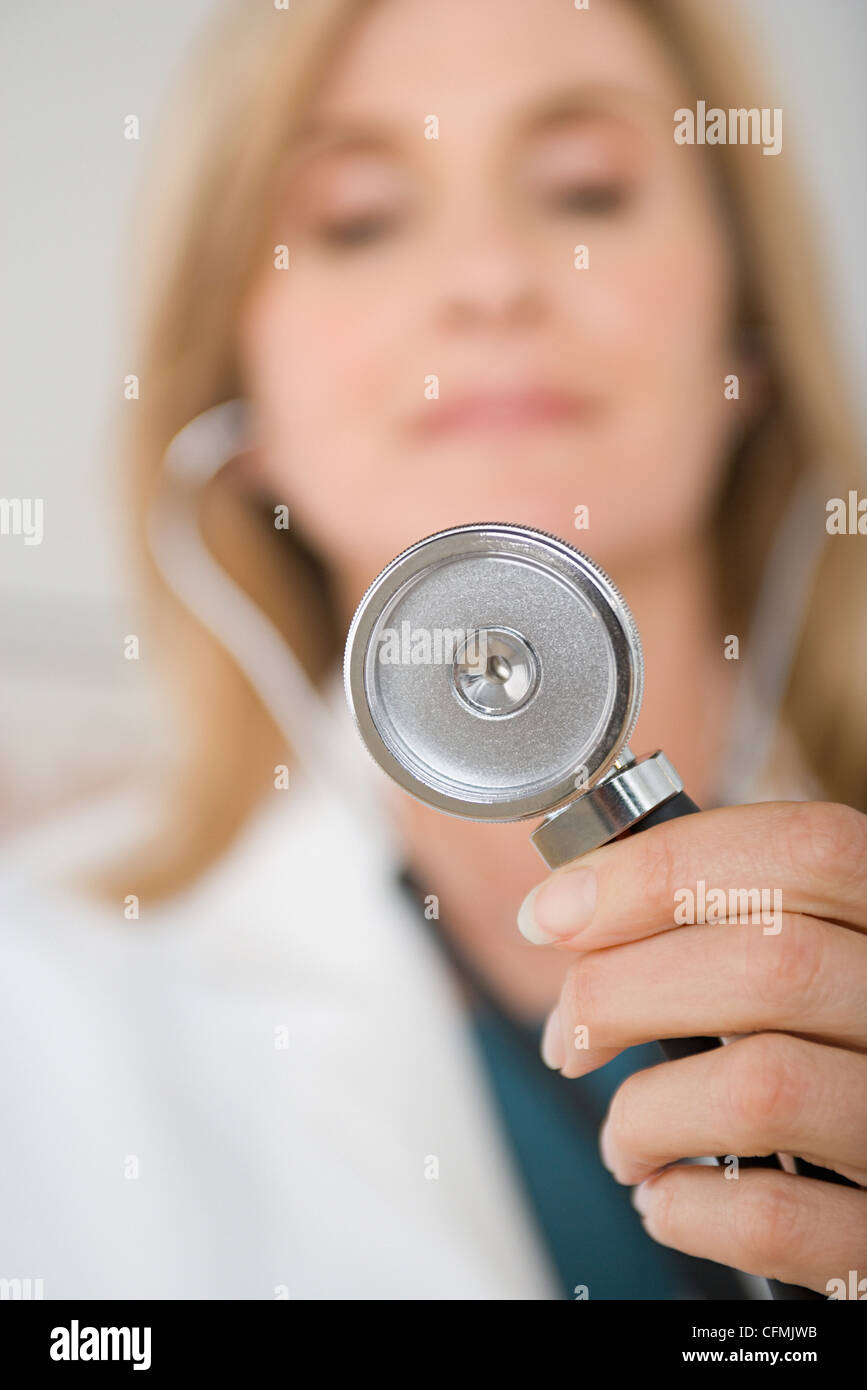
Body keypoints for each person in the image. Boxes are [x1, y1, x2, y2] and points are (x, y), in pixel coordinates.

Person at [2, 0, 865, 1300]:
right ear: (245, 411)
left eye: (584, 191)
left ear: (744, 343)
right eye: (356, 217)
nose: (490, 279)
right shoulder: (42, 1001)